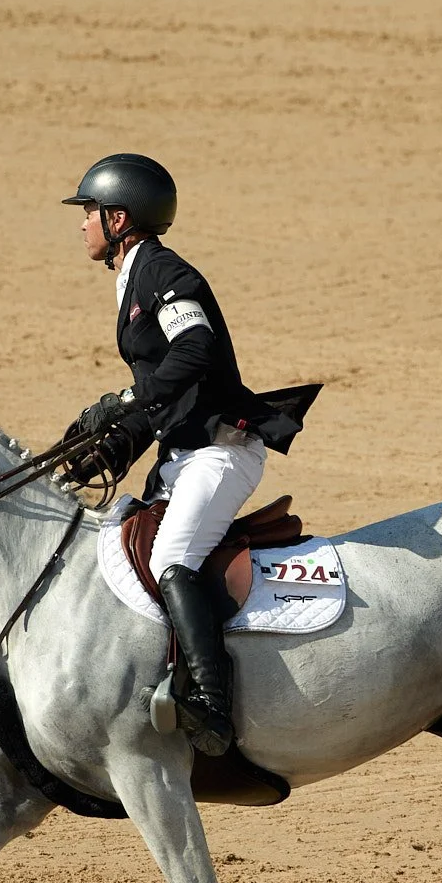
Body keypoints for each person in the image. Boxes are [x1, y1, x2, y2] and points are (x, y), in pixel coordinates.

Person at [61, 153, 299, 759]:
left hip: (221, 452)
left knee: (172, 555)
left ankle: (212, 706)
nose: (82, 223)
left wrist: (128, 399)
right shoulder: (133, 277)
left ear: (118, 219)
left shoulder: (164, 272)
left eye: (89, 211)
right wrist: (119, 437)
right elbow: (169, 389)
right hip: (182, 452)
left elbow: (195, 350)